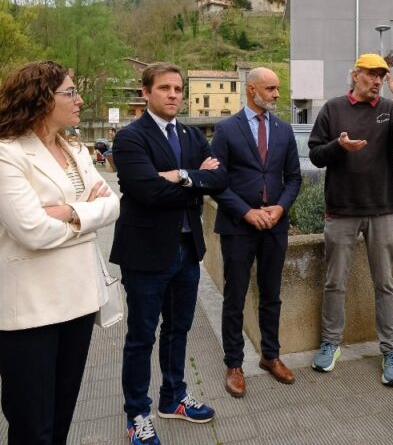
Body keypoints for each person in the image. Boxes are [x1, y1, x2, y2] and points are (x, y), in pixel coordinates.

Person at [0, 60, 120, 444]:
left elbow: (112, 205)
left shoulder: (75, 149)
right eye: (70, 92)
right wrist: (86, 212)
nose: (80, 100)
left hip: (79, 301)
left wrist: (68, 211)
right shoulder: (7, 154)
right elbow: (32, 230)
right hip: (31, 310)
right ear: (40, 99)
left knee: (62, 414)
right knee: (32, 426)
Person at [110, 62, 227, 445]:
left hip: (187, 250)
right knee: (141, 337)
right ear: (146, 92)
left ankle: (173, 397)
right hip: (145, 253)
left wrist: (179, 175)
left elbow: (220, 179)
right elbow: (147, 191)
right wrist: (195, 179)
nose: (174, 94)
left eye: (178, 89)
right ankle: (137, 413)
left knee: (179, 329)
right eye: (164, 88)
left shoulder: (191, 134)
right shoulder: (130, 138)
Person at [308, 53, 393, 386]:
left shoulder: (389, 109)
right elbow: (315, 155)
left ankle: (391, 351)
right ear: (355, 75)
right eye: (372, 74)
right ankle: (331, 343)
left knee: (385, 284)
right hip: (341, 210)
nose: (377, 80)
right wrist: (339, 146)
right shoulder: (332, 109)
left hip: (381, 210)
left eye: (381, 76)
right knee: (334, 282)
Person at [211, 67, 301, 398]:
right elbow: (216, 182)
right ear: (252, 90)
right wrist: (246, 212)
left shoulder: (283, 129)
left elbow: (294, 178)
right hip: (238, 227)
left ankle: (270, 356)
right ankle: (234, 364)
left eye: (277, 88)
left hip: (274, 226)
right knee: (235, 296)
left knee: (272, 293)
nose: (277, 94)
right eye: (271, 88)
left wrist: (280, 208)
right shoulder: (226, 130)